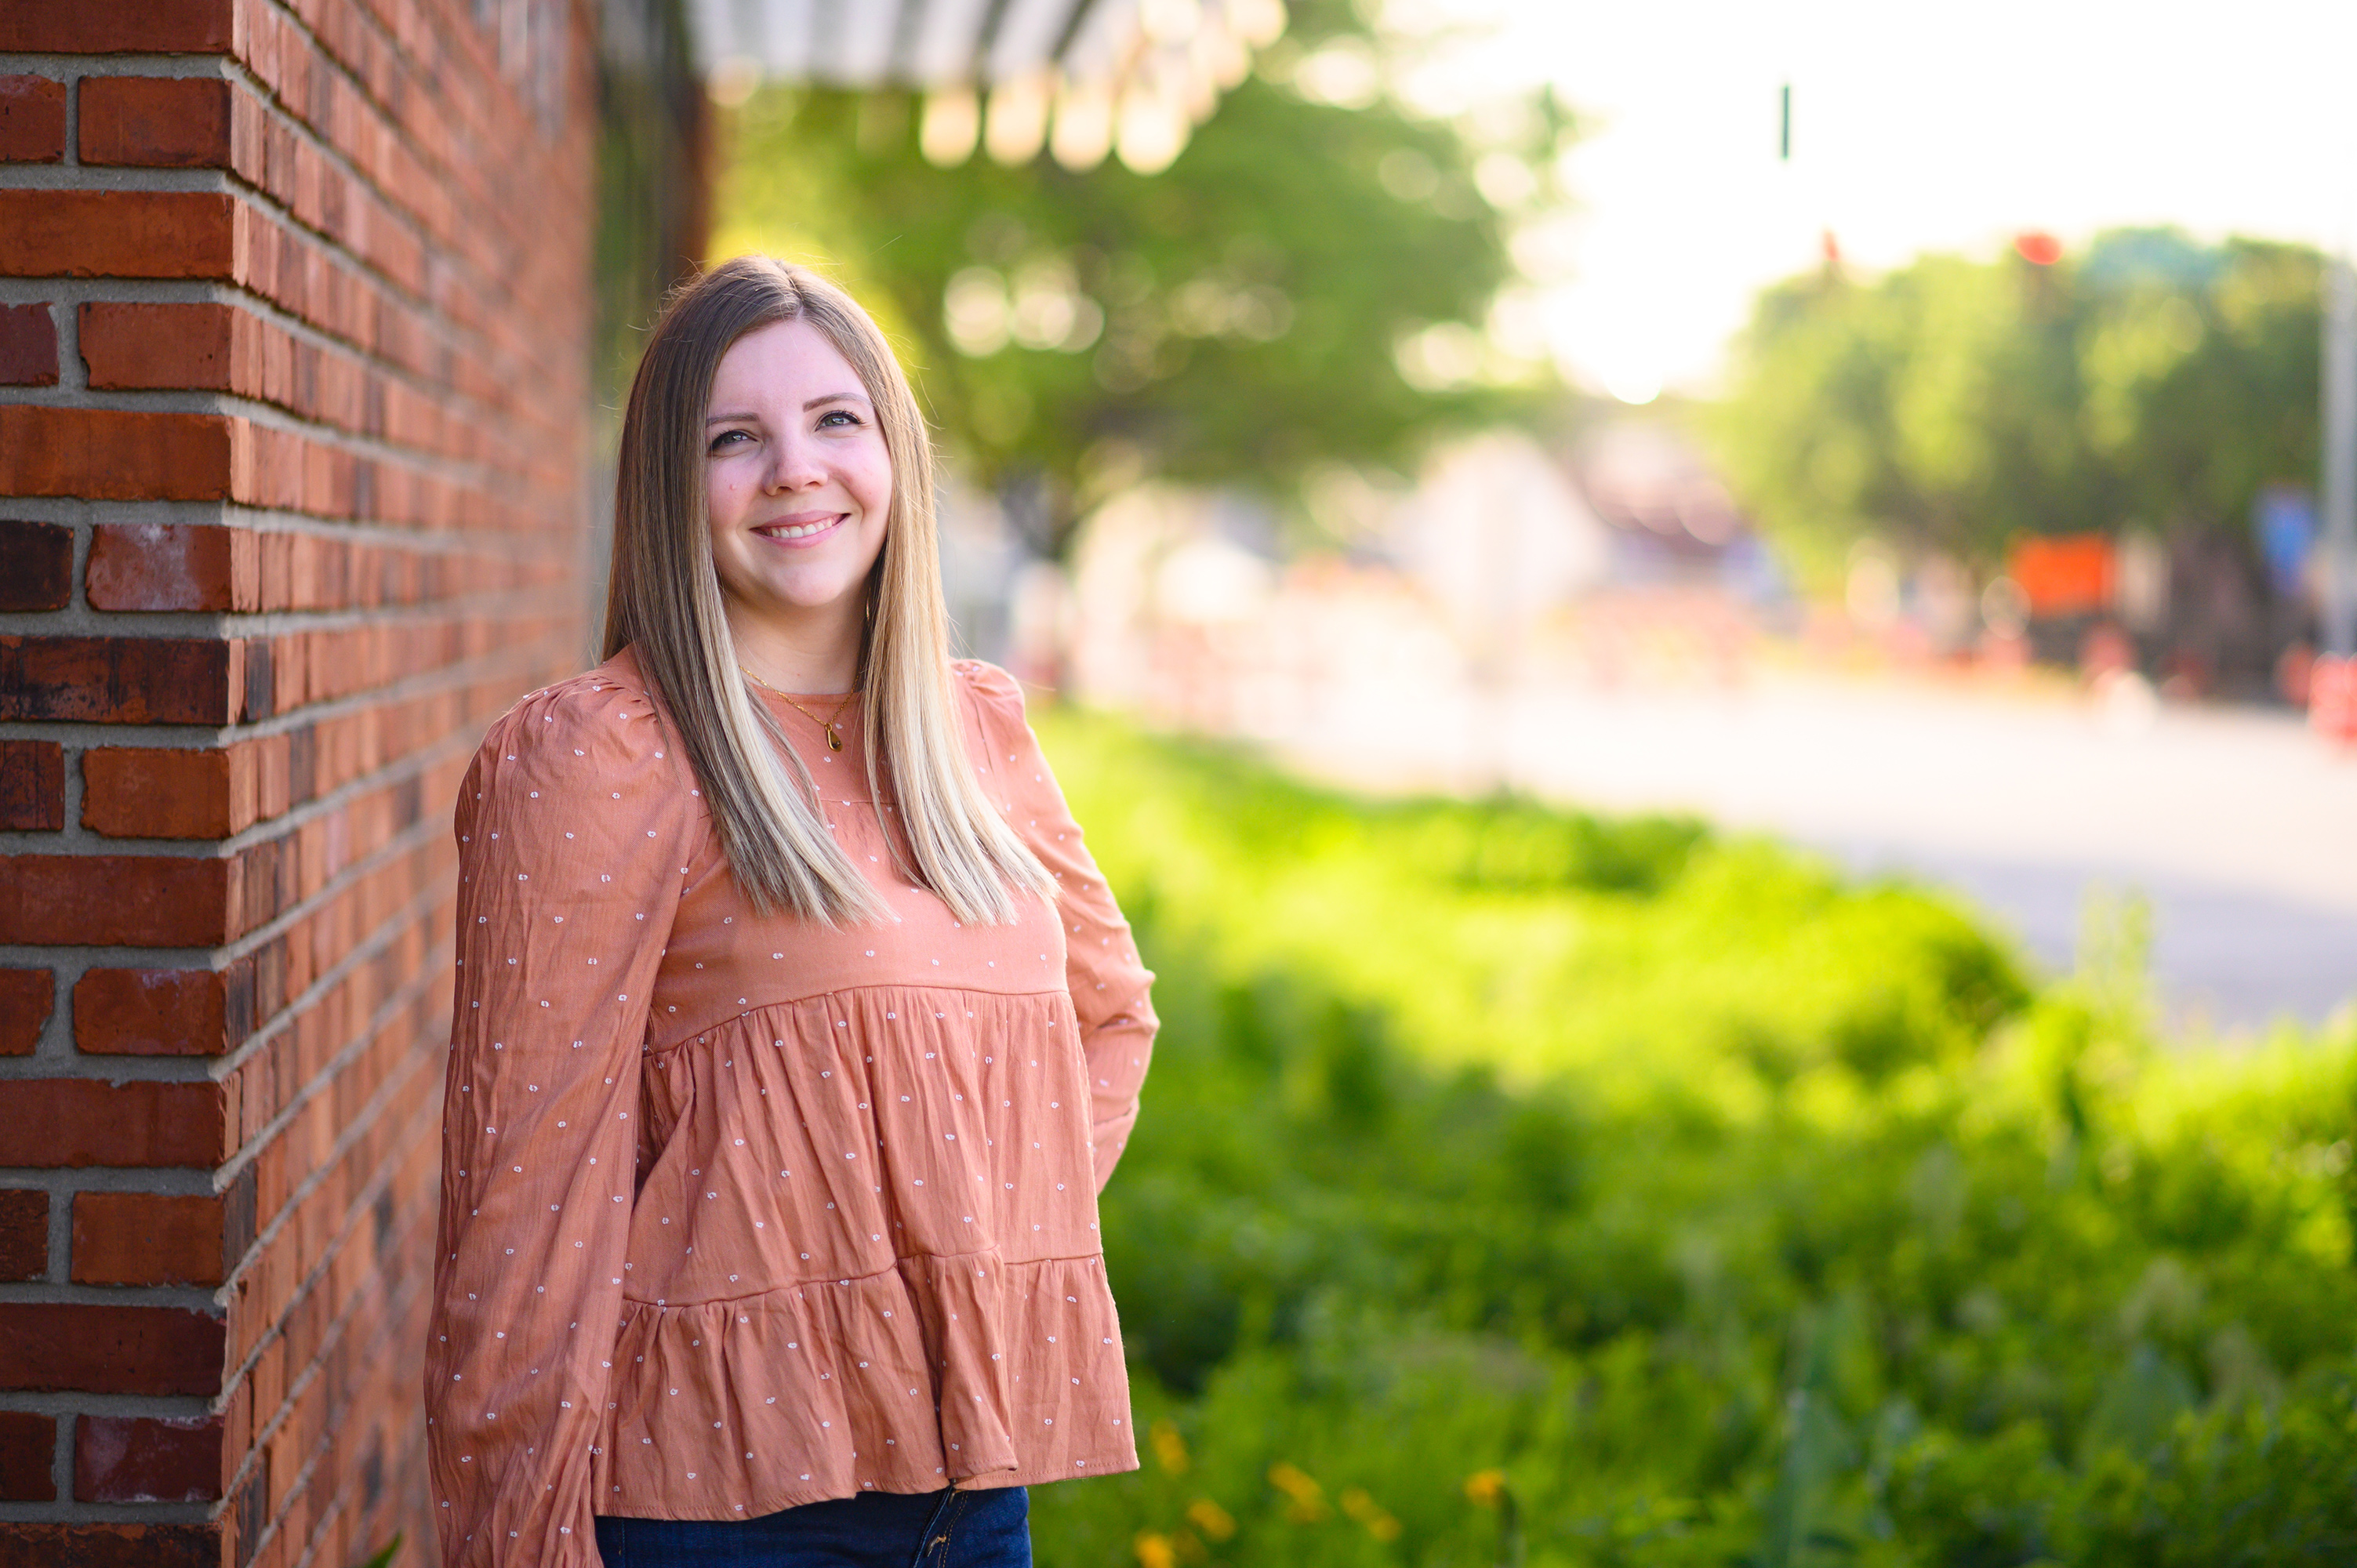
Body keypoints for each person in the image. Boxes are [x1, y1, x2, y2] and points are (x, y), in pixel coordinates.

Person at [423, 256, 1158, 1567]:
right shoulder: (601, 754)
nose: (794, 471)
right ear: (669, 486)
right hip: (711, 1509)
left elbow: (1108, 1018)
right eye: (733, 439)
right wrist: (515, 1539)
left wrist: (964, 1257)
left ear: (893, 452)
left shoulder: (973, 724)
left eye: (835, 420)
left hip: (971, 1501)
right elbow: (522, 1204)